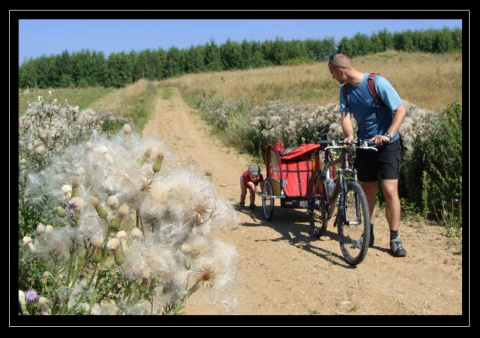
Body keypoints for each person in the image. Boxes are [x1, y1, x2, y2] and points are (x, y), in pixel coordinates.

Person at [327, 53, 407, 257]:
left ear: (341, 70)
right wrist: (349, 135)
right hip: (364, 144)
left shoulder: (376, 82)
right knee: (367, 190)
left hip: (388, 144)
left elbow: (400, 109)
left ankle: (395, 238)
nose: (333, 77)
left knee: (390, 190)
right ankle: (368, 234)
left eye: (333, 73)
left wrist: (388, 134)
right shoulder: (344, 90)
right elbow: (345, 116)